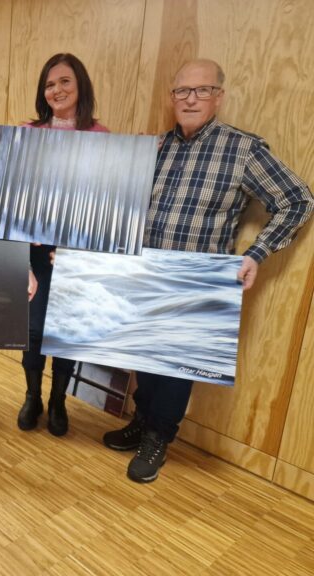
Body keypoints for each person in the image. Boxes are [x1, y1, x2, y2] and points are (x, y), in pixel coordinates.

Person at [102, 59, 313, 483]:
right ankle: (143, 421)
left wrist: (256, 253)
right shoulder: (156, 147)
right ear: (172, 97)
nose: (191, 99)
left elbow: (298, 200)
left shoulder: (243, 149)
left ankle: (159, 438)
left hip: (198, 280)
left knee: (178, 369)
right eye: (182, 91)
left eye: (202, 90)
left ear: (219, 95)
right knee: (143, 358)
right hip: (146, 273)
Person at [18, 53, 110, 437]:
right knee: (34, 329)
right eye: (50, 84)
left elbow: (106, 201)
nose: (57, 90)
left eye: (65, 82)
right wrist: (17, 256)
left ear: (80, 85)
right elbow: (13, 196)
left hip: (77, 252)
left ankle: (58, 401)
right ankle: (33, 396)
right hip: (34, 250)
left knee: (68, 329)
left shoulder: (101, 137)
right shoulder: (27, 132)